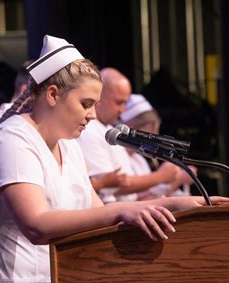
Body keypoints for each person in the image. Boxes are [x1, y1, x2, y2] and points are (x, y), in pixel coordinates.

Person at [0, 35, 229, 283]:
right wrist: (124, 210)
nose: (93, 115)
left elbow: (98, 214)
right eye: (86, 103)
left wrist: (173, 206)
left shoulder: (69, 147)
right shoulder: (10, 140)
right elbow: (37, 225)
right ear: (52, 95)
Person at [77, 68, 180, 202]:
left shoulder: (107, 129)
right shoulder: (89, 131)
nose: (123, 109)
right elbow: (113, 186)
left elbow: (124, 190)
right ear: (100, 97)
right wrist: (161, 176)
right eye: (119, 102)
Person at [119, 94, 196, 198]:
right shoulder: (119, 157)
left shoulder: (139, 160)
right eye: (150, 132)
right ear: (132, 128)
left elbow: (155, 198)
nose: (153, 137)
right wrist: (175, 180)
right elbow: (138, 200)